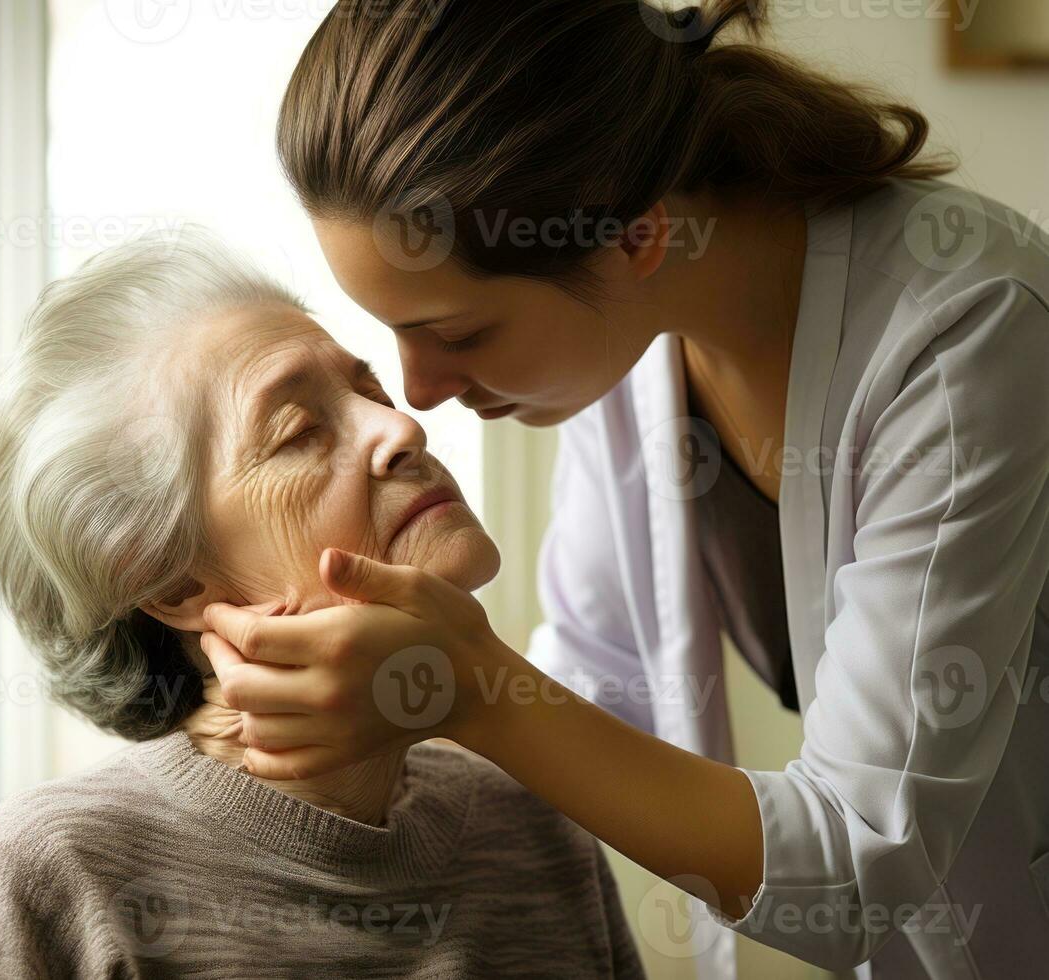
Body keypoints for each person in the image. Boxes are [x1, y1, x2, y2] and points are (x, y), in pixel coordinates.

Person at [198, 1, 1049, 977]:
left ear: (637, 237)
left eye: (460, 333)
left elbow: (856, 864)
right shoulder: (623, 339)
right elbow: (601, 686)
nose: (416, 392)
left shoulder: (959, 333)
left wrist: (466, 682)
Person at [0, 230, 646, 979]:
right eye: (299, 431)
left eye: (367, 389)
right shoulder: (56, 875)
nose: (401, 427)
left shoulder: (534, 829)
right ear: (172, 584)